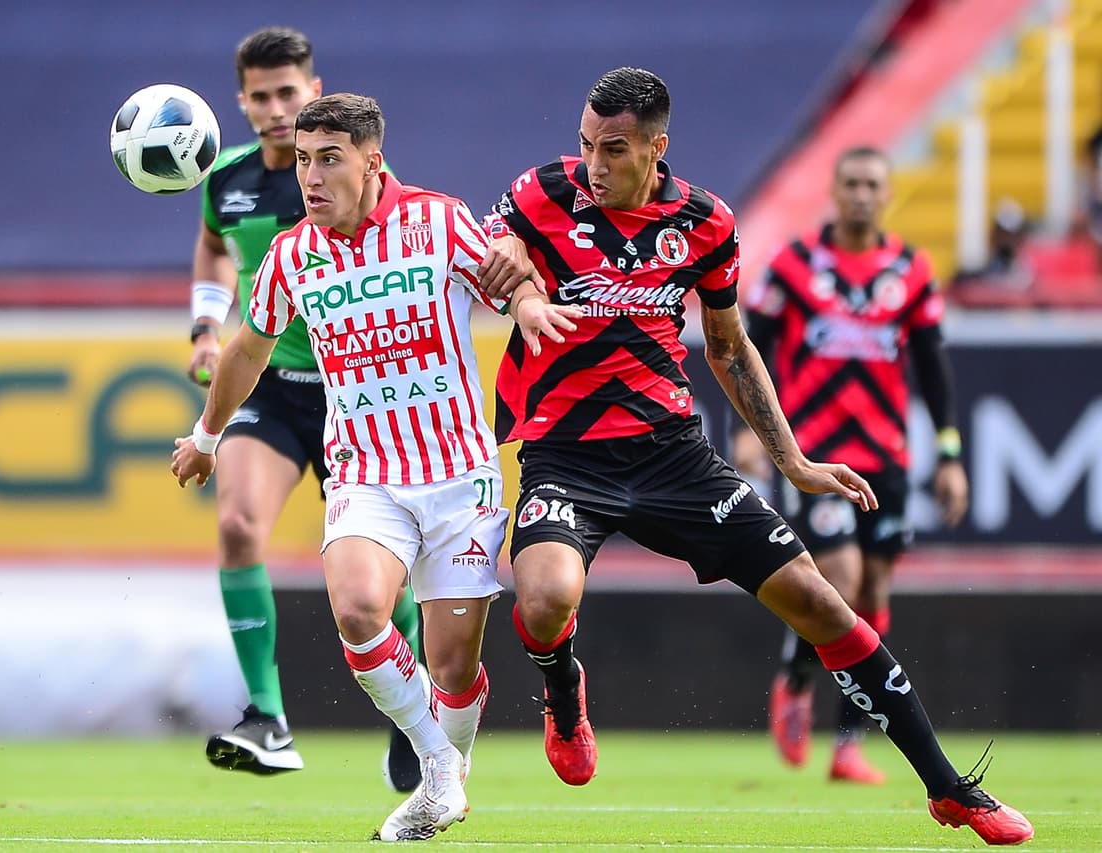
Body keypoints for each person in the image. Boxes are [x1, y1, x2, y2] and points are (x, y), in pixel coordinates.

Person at [476, 67, 1032, 846]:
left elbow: (730, 348)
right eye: (584, 145)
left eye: (613, 149)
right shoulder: (543, 192)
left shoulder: (705, 221)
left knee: (821, 601)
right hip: (567, 457)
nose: (594, 166)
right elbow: (492, 248)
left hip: (674, 457)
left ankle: (949, 788)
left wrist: (794, 460)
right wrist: (521, 289)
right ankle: (563, 691)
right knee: (542, 600)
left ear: (656, 147)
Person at [172, 93, 580, 841]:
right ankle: (437, 771)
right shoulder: (292, 254)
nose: (311, 178)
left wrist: (524, 302)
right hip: (366, 473)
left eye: (329, 159)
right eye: (301, 161)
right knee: (359, 610)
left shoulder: (439, 219)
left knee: (451, 669)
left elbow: (511, 273)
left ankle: (442, 771)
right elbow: (249, 349)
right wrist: (206, 435)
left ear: (372, 161)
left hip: (461, 475)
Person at [185, 26, 424, 791]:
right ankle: (268, 716)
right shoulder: (225, 177)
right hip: (277, 394)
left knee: (383, 585)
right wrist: (203, 326)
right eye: (260, 96)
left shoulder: (346, 175)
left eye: (289, 92)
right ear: (241, 103)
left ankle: (408, 716)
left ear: (314, 91)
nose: (276, 108)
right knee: (235, 523)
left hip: (358, 398)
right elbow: (216, 246)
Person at [735, 146, 971, 786]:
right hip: (816, 455)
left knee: (873, 597)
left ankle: (846, 745)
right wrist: (752, 432)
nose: (862, 194)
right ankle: (794, 674)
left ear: (887, 192)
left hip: (888, 458)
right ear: (834, 192)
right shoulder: (795, 265)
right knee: (838, 579)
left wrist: (950, 454)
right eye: (851, 184)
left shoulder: (910, 270)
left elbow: (932, 367)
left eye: (873, 183)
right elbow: (741, 346)